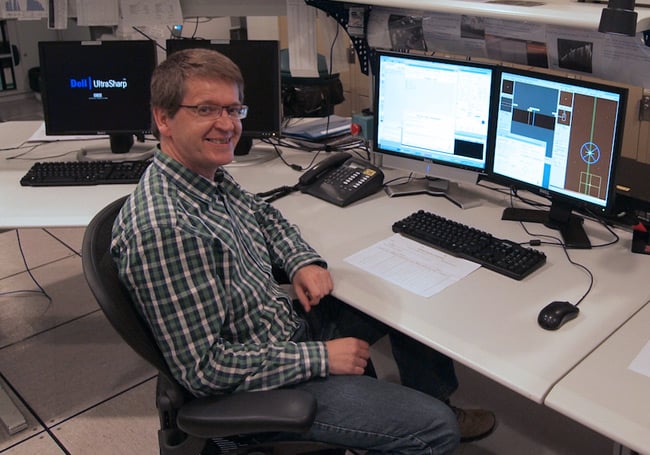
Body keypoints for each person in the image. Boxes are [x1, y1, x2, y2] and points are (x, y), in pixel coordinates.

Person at [111, 48, 495, 453]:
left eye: (233, 109)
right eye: (206, 110)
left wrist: (300, 262)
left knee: (406, 289)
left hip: (280, 331)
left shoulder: (203, 177)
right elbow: (205, 372)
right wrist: (321, 359)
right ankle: (429, 420)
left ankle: (436, 399)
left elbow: (263, 216)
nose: (227, 125)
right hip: (256, 384)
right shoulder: (166, 229)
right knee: (434, 431)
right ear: (163, 118)